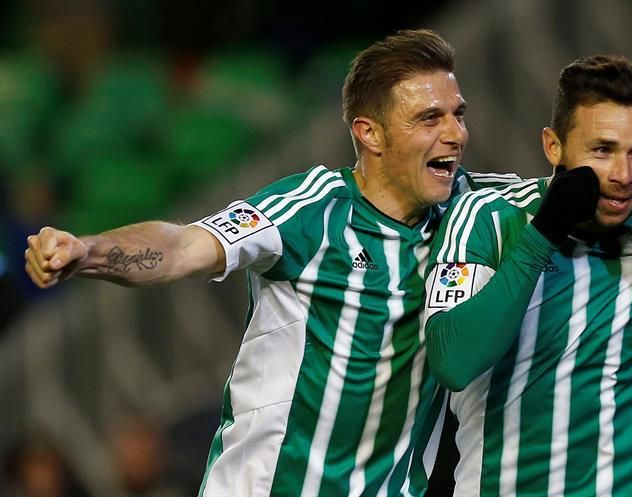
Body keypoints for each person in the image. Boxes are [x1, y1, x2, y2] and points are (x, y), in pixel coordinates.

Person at [24, 28, 525, 497]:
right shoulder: (309, 208)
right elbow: (182, 247)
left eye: (458, 114)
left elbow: (555, 195)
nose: (456, 134)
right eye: (430, 119)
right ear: (370, 133)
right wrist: (89, 251)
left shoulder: (472, 213)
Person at [423, 54, 632, 496]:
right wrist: (543, 235)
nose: (623, 175)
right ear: (553, 146)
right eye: (602, 150)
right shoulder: (488, 218)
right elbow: (453, 363)